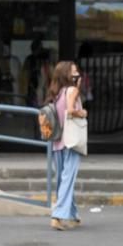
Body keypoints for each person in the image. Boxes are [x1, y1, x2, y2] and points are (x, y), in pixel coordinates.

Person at [46, 61, 88, 231]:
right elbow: (70, 110)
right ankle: (58, 215)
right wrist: (82, 112)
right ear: (67, 74)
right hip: (70, 141)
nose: (77, 73)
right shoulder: (72, 90)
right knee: (68, 179)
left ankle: (73, 215)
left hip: (57, 143)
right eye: (74, 71)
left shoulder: (57, 93)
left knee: (63, 180)